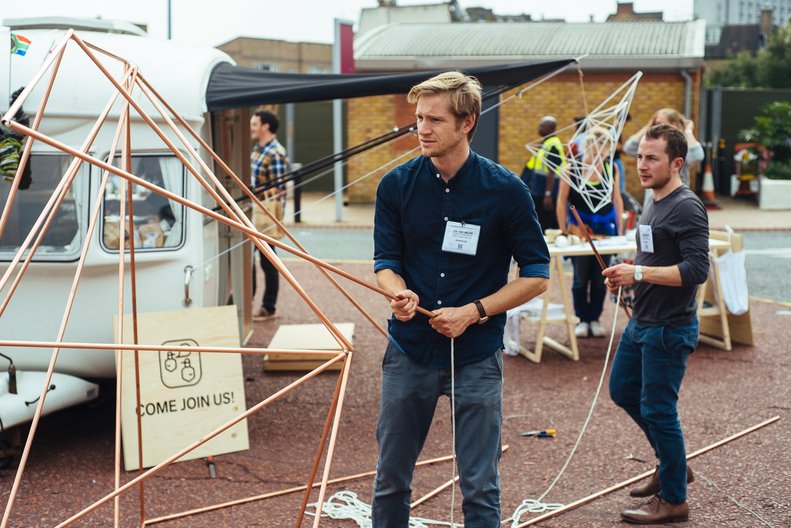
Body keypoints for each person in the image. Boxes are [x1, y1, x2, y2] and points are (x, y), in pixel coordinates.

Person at [372, 71, 549, 527]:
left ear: (467, 123)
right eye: (418, 118)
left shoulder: (507, 190)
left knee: (480, 487)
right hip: (410, 349)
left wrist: (474, 312)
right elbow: (385, 264)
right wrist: (400, 293)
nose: (422, 129)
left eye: (434, 119)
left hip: (475, 354)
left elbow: (536, 276)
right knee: (391, 480)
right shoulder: (396, 186)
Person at [603, 123, 710, 525]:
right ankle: (673, 463)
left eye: (652, 158)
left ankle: (674, 499)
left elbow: (697, 269)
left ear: (676, 163)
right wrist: (627, 272)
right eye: (640, 157)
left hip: (669, 328)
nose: (641, 165)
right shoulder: (653, 200)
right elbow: (652, 256)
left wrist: (640, 276)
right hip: (642, 321)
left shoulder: (686, 205)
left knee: (659, 410)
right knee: (622, 390)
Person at [556, 126, 623, 338]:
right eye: (596, 148)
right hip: (581, 232)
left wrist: (619, 230)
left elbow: (617, 198)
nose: (600, 153)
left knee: (602, 275)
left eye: (604, 149)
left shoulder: (611, 168)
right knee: (580, 278)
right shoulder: (571, 169)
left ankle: (594, 317)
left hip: (605, 232)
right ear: (588, 146)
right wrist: (565, 229)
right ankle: (582, 318)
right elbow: (561, 200)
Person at [249, 109, 288, 320]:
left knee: (267, 261)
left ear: (265, 126)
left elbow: (280, 188)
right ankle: (249, 302)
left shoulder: (275, 153)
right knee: (250, 260)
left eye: (254, 124)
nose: (251, 128)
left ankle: (268, 307)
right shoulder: (258, 150)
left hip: (265, 215)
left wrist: (252, 193)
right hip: (252, 213)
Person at [623, 108, 703, 208]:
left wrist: (688, 131)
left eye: (652, 158)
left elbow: (697, 155)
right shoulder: (653, 145)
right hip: (651, 204)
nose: (642, 166)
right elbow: (628, 148)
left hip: (673, 203)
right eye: (655, 123)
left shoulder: (680, 146)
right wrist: (649, 126)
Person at [521, 115, 566, 232]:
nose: (539, 128)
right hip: (539, 190)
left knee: (546, 223)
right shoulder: (547, 142)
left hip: (546, 193)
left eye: (542, 126)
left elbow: (552, 171)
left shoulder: (553, 145)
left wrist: (548, 194)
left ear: (550, 128)